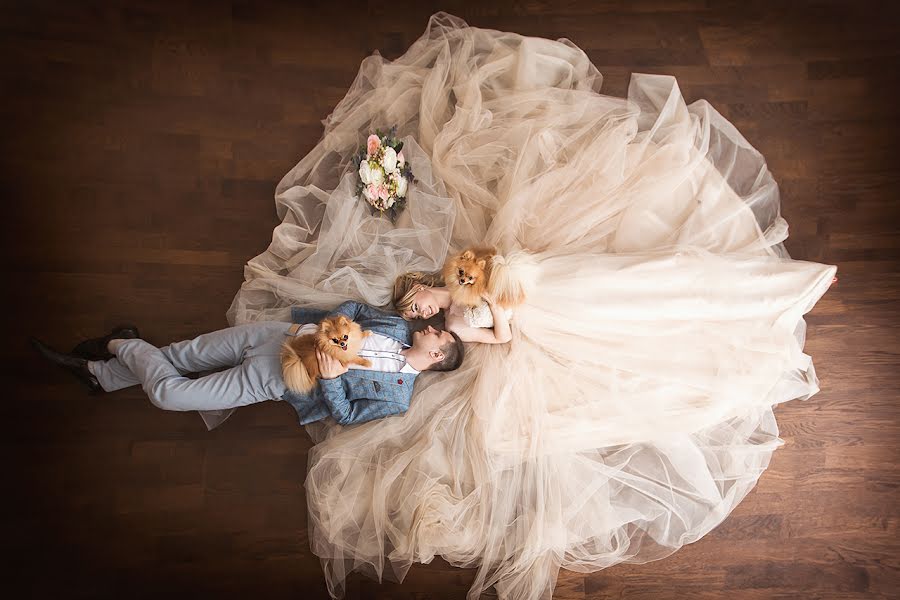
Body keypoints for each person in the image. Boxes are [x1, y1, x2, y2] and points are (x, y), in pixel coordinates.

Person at [213, 13, 841, 600]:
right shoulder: (449, 326)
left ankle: (726, 294)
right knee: (612, 319)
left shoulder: (450, 293)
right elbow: (499, 334)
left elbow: (480, 295)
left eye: (428, 295)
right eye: (427, 305)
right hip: (524, 312)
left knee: (615, 283)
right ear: (428, 318)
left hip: (534, 290)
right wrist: (500, 309)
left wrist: (490, 290)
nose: (429, 305)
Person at [30, 301, 464, 427]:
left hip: (275, 376)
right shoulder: (395, 325)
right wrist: (342, 323)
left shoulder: (398, 397)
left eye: (438, 333)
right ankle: (101, 378)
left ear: (437, 356)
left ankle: (119, 344)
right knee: (179, 356)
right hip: (275, 335)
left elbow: (348, 416)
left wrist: (332, 381)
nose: (430, 328)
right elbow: (353, 305)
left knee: (168, 392)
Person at [392, 272, 514, 344]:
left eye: (416, 307)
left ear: (418, 287)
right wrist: (494, 306)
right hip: (522, 316)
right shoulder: (454, 326)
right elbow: (502, 338)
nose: (423, 315)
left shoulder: (456, 275)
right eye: (418, 316)